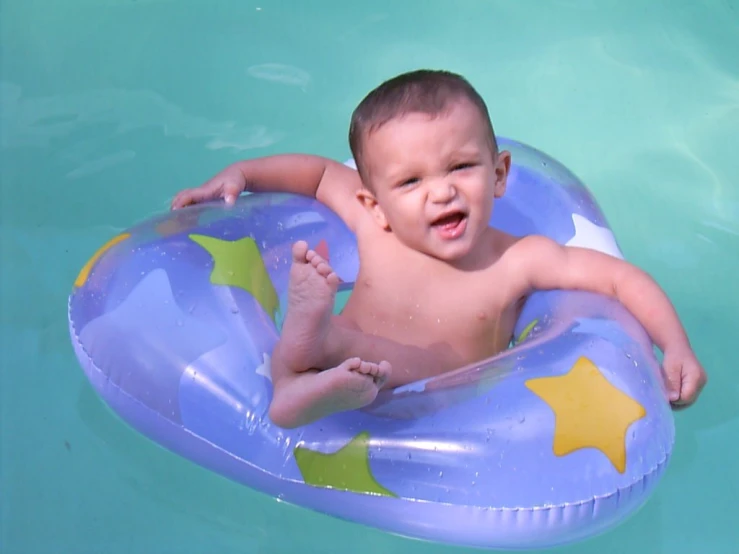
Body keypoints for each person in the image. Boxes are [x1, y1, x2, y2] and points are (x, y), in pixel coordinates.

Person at [172, 69, 707, 428]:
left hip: (435, 399)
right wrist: (240, 174)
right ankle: (314, 363)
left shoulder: (516, 260)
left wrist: (675, 346)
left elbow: (619, 279)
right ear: (374, 201)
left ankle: (319, 351)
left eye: (460, 167)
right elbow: (314, 175)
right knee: (291, 404)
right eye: (409, 183)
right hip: (346, 368)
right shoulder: (371, 225)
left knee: (419, 365)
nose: (441, 191)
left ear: (499, 174)